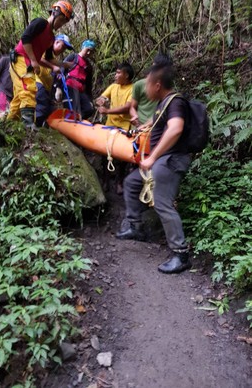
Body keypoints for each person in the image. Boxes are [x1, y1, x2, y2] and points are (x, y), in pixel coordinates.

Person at [116, 63, 192, 274]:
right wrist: (144, 125)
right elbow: (158, 121)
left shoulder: (175, 102)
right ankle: (135, 227)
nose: (144, 88)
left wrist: (153, 158)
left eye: (147, 83)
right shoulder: (164, 104)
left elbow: (175, 129)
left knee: (162, 203)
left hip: (170, 160)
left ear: (157, 85)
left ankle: (181, 253)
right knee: (131, 183)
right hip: (162, 159)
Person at [8, 0, 75, 128]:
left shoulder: (51, 38)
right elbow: (25, 38)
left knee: (19, 99)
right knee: (28, 89)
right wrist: (34, 60)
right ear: (54, 13)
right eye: (61, 19)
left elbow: (49, 59)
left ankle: (8, 125)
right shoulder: (40, 23)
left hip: (28, 63)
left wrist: (64, 65)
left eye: (63, 22)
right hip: (20, 59)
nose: (61, 24)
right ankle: (28, 125)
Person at [96, 62, 134, 194]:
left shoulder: (132, 88)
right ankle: (105, 181)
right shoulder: (113, 87)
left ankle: (119, 182)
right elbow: (101, 97)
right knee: (105, 153)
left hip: (125, 125)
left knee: (122, 157)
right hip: (110, 124)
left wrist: (107, 111)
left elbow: (127, 107)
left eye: (118, 73)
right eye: (116, 72)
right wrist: (100, 100)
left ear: (126, 75)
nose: (115, 75)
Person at [35, 34, 74, 127]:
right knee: (41, 106)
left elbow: (58, 64)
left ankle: (44, 125)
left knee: (48, 108)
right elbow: (38, 58)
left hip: (46, 87)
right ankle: (37, 126)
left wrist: (64, 66)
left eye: (65, 48)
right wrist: (54, 67)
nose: (62, 50)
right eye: (62, 46)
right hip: (37, 82)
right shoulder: (45, 49)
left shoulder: (53, 57)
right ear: (56, 42)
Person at [58, 39, 96, 119]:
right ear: (83, 48)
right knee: (71, 108)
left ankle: (77, 120)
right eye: (87, 50)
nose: (89, 53)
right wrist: (58, 88)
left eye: (91, 51)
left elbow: (88, 85)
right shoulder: (73, 57)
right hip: (69, 88)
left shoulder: (88, 66)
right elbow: (61, 71)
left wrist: (90, 99)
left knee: (89, 109)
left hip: (81, 91)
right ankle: (69, 121)